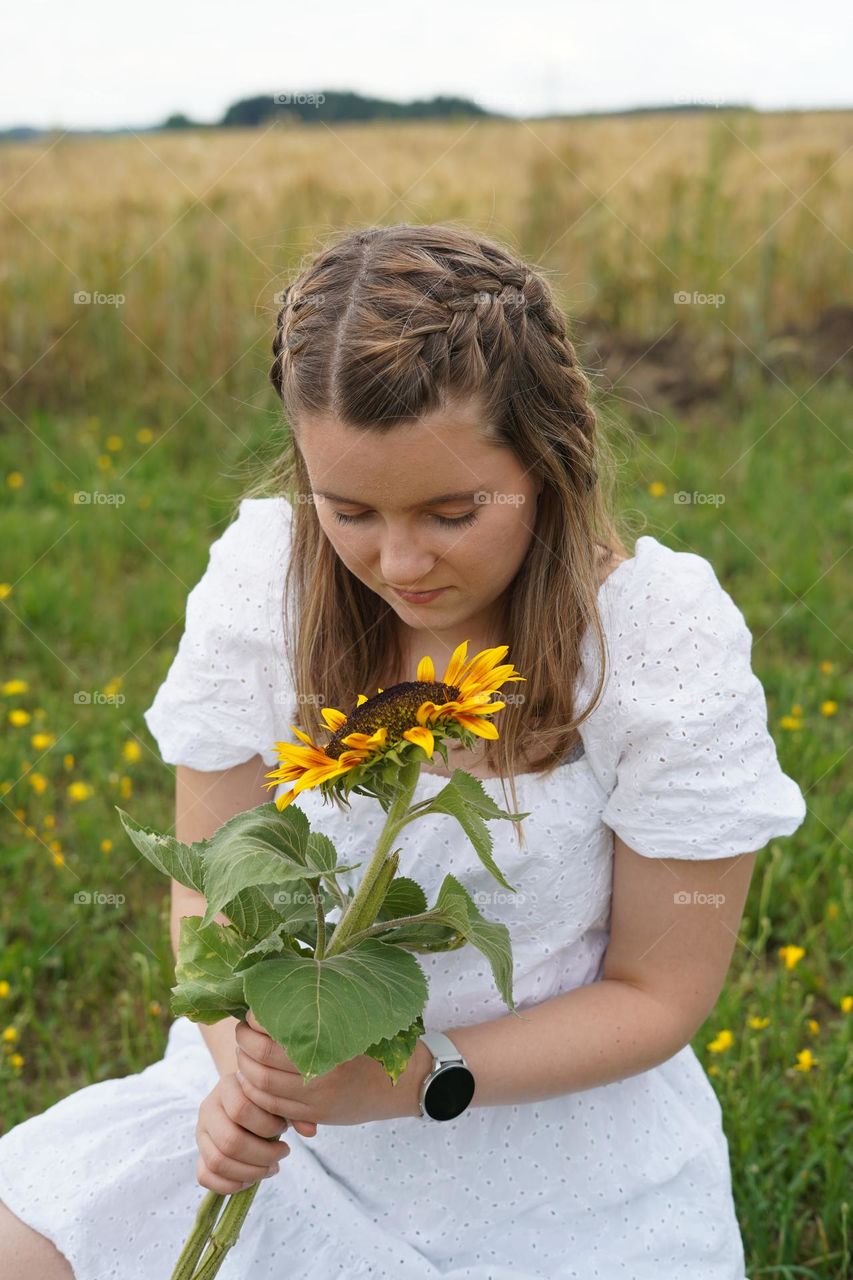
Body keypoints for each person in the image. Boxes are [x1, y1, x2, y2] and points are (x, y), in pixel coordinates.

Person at [0, 223, 806, 1279]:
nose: (400, 560)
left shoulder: (653, 640)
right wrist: (240, 1072)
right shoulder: (267, 586)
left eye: (452, 509)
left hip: (539, 1148)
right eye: (350, 509)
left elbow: (657, 992)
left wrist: (408, 1075)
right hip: (284, 1119)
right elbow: (211, 885)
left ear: (547, 458)